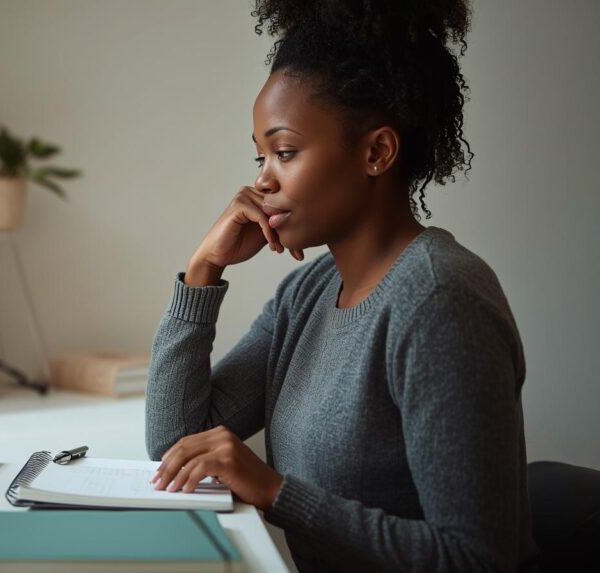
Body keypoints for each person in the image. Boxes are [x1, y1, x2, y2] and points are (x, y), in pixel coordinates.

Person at [145, 1, 539, 571]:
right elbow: (176, 443)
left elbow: (476, 558)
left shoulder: (440, 303)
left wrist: (277, 492)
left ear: (376, 152)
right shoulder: (305, 296)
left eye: (284, 152)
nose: (261, 179)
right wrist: (204, 269)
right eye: (260, 156)